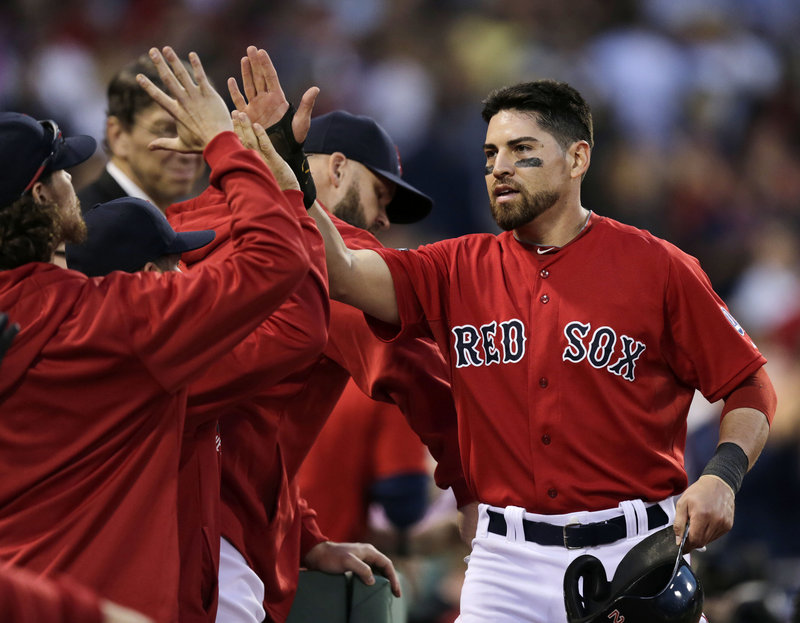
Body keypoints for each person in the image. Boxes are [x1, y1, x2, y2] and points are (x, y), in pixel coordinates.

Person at [297, 79, 777, 622]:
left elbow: (750, 384)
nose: (499, 167)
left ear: (577, 158)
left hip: (632, 554)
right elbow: (338, 269)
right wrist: (287, 168)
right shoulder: (453, 267)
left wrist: (724, 474)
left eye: (522, 151)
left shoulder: (657, 266)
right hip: (505, 563)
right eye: (490, 154)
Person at [0, 46, 315, 623]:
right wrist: (227, 146)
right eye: (64, 170)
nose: (77, 180)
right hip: (105, 602)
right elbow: (276, 261)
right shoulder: (106, 318)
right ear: (41, 197)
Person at [165, 46, 471, 623]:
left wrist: (305, 537)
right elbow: (413, 369)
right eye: (381, 195)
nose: (382, 221)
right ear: (333, 168)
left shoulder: (183, 219)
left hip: (124, 504)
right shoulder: (335, 260)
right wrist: (474, 486)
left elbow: (251, 429)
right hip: (213, 540)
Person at [296, 377, 431, 546]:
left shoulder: (290, 370)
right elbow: (403, 500)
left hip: (264, 552)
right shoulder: (388, 387)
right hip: (326, 553)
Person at [77, 54, 206, 213]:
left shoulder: (180, 220)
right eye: (167, 130)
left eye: (198, 131)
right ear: (118, 136)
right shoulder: (82, 226)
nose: (188, 154)